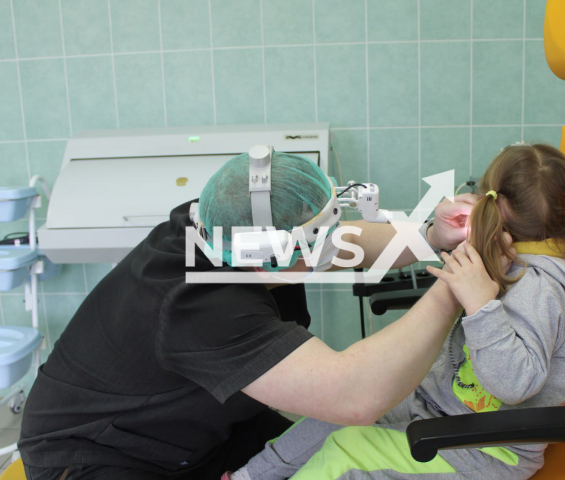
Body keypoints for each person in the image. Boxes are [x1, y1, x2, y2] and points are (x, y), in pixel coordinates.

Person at [18, 150, 475, 480]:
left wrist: (432, 236)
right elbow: (354, 394)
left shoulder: (215, 225)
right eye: (319, 243)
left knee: (322, 457)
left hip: (199, 428)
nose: (338, 246)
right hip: (95, 456)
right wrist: (451, 287)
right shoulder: (200, 305)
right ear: (267, 256)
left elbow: (334, 240)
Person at [230, 143, 565, 480]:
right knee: (338, 414)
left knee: (345, 455)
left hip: (487, 449)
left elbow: (514, 385)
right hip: (436, 411)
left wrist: (481, 307)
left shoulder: (542, 292)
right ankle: (252, 474)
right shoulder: (507, 264)